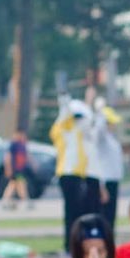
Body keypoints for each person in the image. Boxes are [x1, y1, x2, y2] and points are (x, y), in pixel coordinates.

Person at [50, 99, 95, 237]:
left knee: (78, 210)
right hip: (67, 174)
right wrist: (65, 105)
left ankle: (76, 238)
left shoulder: (79, 132)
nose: (79, 120)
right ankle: (70, 241)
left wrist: (88, 104)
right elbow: (63, 116)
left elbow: (89, 121)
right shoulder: (62, 130)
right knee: (71, 210)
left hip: (78, 174)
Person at [84, 94, 125, 232]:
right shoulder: (101, 139)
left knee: (111, 217)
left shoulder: (111, 139)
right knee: (104, 217)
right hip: (104, 182)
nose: (113, 125)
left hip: (113, 180)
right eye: (111, 122)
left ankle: (109, 239)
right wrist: (100, 112)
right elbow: (98, 131)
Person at [2, 132, 32, 210]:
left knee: (13, 185)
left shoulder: (22, 145)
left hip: (20, 169)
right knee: (21, 184)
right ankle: (25, 201)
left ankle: (5, 200)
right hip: (15, 169)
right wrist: (8, 168)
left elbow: (27, 156)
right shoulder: (14, 145)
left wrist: (32, 163)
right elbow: (7, 157)